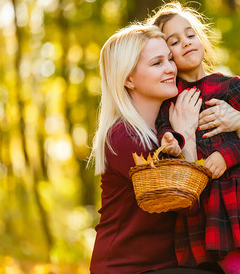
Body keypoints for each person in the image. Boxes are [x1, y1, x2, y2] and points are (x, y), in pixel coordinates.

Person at [149, 2, 240, 274]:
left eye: (191, 35)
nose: (187, 43)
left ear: (201, 38)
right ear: (167, 55)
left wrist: (225, 157)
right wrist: (170, 140)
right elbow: (164, 131)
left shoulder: (230, 85)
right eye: (175, 42)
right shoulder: (169, 100)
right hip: (208, 206)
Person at [88, 23, 221, 273]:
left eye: (170, 59)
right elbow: (186, 202)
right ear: (128, 79)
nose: (171, 68)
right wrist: (186, 136)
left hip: (172, 264)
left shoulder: (171, 122)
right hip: (129, 268)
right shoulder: (123, 137)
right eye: (157, 63)